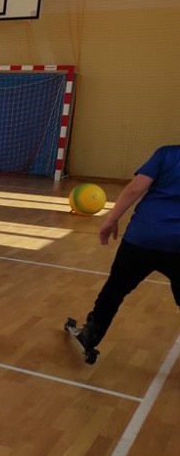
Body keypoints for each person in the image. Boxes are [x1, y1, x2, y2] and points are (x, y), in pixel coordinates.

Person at [68, 145, 180, 363]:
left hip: (142, 237)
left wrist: (111, 220)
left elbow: (134, 189)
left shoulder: (167, 154)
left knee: (115, 288)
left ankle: (92, 333)